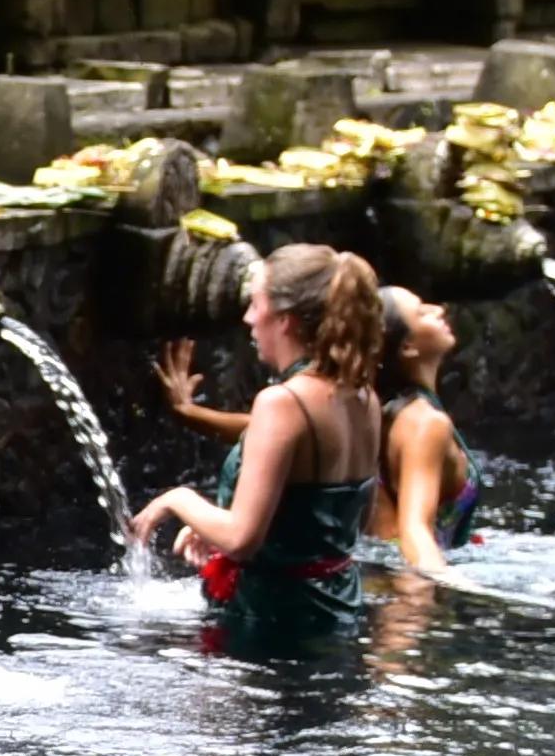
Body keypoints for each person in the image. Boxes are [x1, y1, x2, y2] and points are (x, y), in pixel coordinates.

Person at [131, 241, 393, 646]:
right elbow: (349, 521)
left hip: (272, 623)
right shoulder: (364, 398)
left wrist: (178, 500)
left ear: (285, 320)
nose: (248, 317)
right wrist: (216, 527)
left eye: (255, 303)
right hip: (338, 611)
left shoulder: (282, 403)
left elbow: (241, 539)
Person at [165, 282, 474, 569]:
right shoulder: (425, 424)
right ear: (407, 347)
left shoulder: (366, 405)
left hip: (358, 565)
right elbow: (415, 531)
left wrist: (190, 413)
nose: (439, 309)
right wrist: (450, 591)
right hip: (398, 577)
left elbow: (274, 431)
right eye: (422, 312)